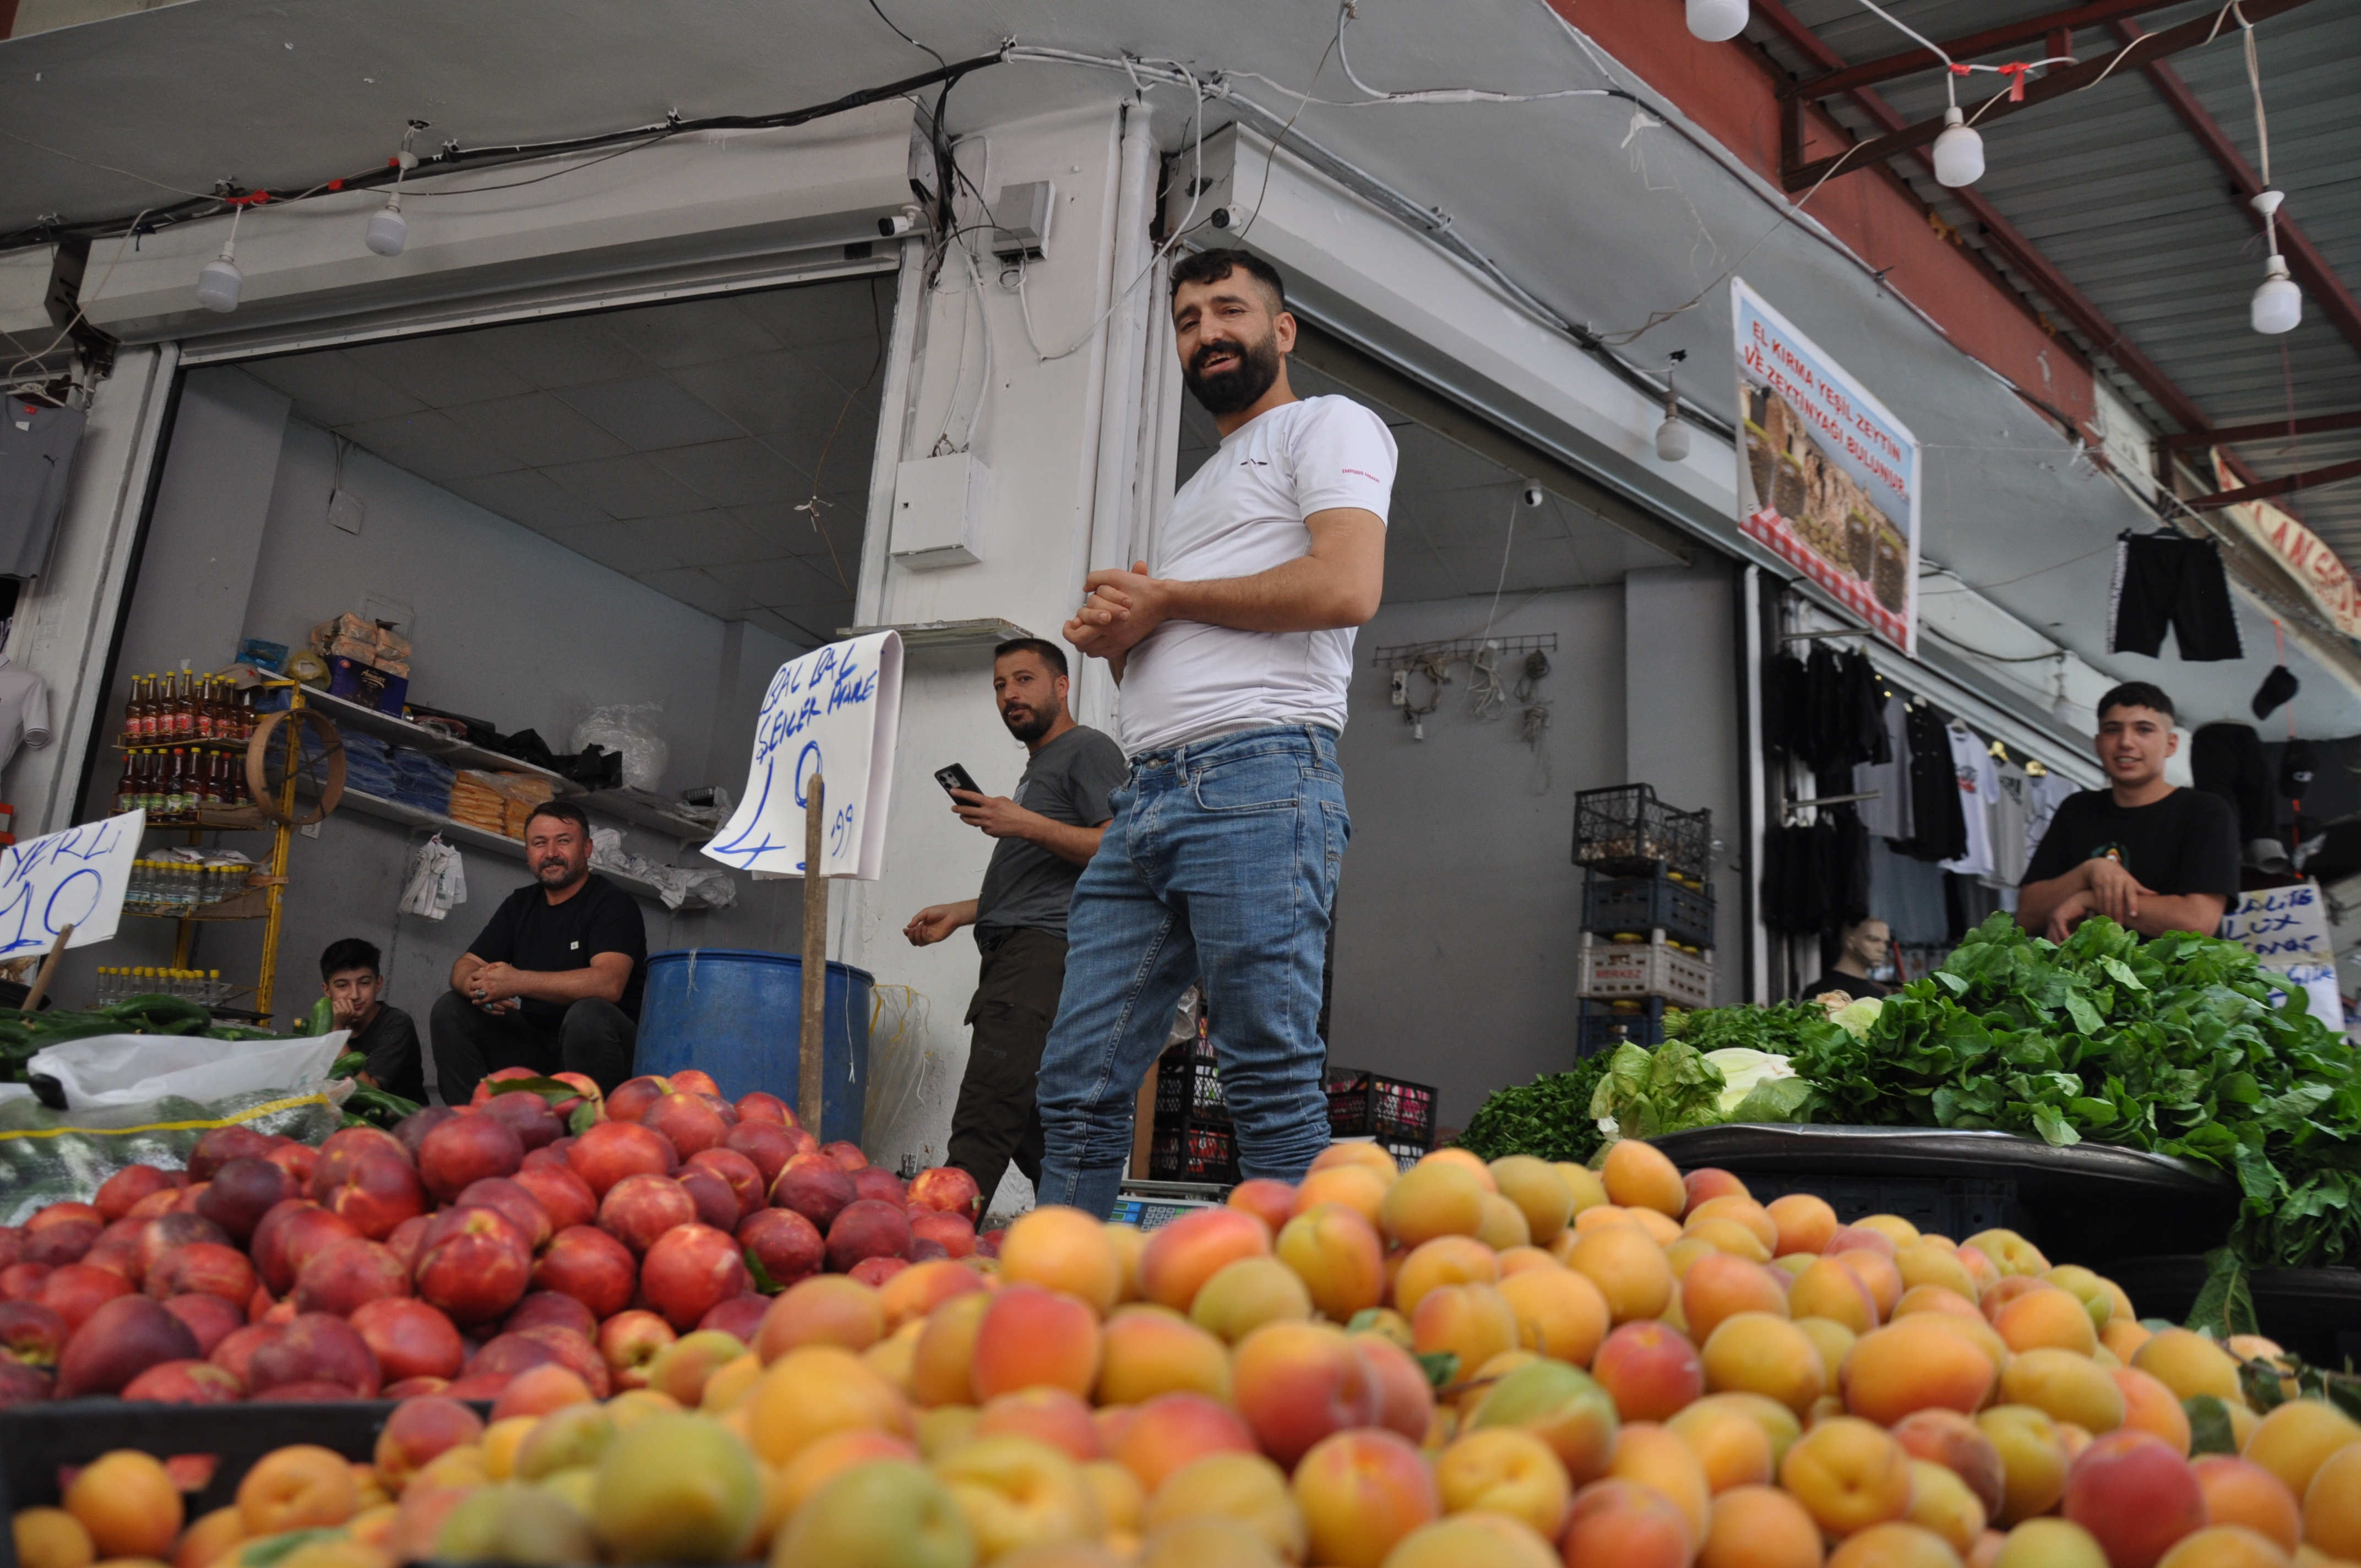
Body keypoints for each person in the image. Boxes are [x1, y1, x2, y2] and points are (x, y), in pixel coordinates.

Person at [1038, 248, 1395, 1217]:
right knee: (1075, 1082)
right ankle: (1057, 1302)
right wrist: (1122, 636)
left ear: (1280, 332)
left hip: (1258, 777)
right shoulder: (1196, 492)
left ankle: (1316, 1328)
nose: (1205, 332)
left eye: (1227, 310)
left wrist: (1166, 595)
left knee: (1268, 1081)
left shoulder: (1328, 425)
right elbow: (1180, 644)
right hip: (1148, 794)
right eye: (1187, 320)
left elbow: (1345, 586)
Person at [902, 639, 1127, 1213]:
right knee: (1035, 1130)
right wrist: (964, 910)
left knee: (984, 1117)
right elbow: (1046, 876)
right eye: (1000, 686)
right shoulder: (1043, 766)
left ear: (1061, 685)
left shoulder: (1087, 749)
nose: (1010, 695)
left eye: (1024, 680)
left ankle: (936, 1257)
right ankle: (1080, 1254)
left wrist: (1021, 820)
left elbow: (1120, 848)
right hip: (1016, 950)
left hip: (1040, 957)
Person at [431, 799, 647, 1102]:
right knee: (452, 1008)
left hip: (604, 1052)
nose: (551, 854)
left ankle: (594, 1133)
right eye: (539, 843)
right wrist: (477, 988)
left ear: (587, 848)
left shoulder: (612, 904)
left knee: (587, 1015)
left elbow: (608, 984)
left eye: (563, 841)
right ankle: (472, 1127)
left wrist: (516, 982)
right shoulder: (520, 905)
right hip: (538, 1048)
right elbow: (466, 965)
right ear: (528, 853)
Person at [2017, 682, 2239, 943]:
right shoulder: (2077, 810)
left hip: (2179, 983)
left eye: (2144, 730)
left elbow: (2197, 922)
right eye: (2113, 731)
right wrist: (2090, 872)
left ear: (2171, 744)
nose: (2126, 742)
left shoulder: (2205, 812)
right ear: (2098, 743)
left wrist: (2092, 899)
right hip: (2084, 981)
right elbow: (2027, 916)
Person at [322, 937, 425, 1105]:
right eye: (342, 986)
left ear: (378, 984)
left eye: (364, 983)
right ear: (327, 990)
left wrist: (337, 1031)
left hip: (402, 1122)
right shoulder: (324, 1022)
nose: (355, 995)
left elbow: (369, 1092)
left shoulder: (397, 1023)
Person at [1800, 917, 1893, 1001]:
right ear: (1850, 941)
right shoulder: (1825, 992)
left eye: (1886, 943)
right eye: (1873, 940)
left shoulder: (1879, 991)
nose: (1883, 949)